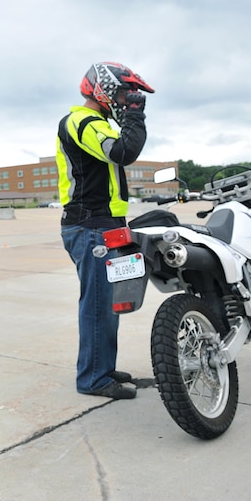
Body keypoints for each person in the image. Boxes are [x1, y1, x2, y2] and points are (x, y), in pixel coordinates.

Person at [55, 62, 153, 400]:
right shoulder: (81, 121)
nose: (128, 100)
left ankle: (103, 367)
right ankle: (93, 378)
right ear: (104, 89)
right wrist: (135, 116)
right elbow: (123, 152)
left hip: (105, 225)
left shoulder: (98, 124)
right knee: (98, 304)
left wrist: (130, 115)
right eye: (125, 93)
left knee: (110, 303)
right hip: (89, 226)